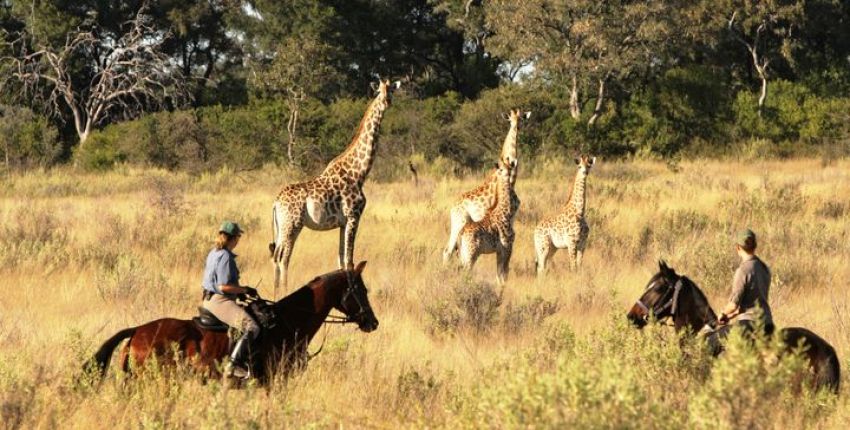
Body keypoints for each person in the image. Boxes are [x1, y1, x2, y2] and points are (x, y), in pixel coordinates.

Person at [201, 221, 261, 379]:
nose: (238, 240)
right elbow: (223, 286)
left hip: (209, 298)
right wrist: (245, 290)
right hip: (219, 301)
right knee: (252, 327)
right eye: (238, 237)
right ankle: (234, 364)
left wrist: (238, 293)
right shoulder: (226, 257)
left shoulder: (214, 252)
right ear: (233, 238)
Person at [716, 228, 774, 337]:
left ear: (737, 247)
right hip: (768, 324)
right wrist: (730, 317)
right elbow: (751, 304)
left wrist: (722, 314)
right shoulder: (764, 268)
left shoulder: (743, 270)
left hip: (749, 325)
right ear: (755, 246)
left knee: (709, 343)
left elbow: (733, 305)